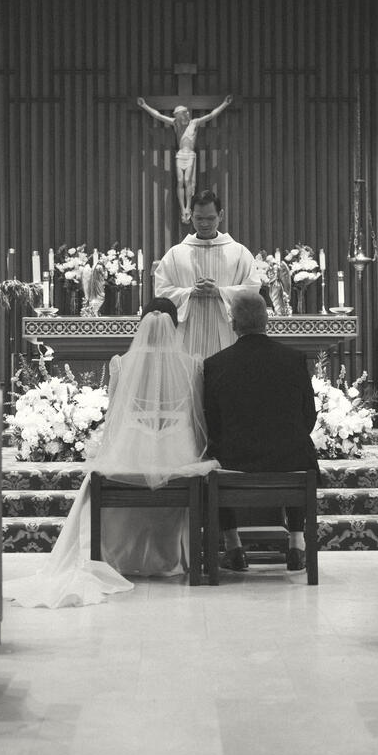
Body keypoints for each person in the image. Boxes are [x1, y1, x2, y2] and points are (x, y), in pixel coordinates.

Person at [3, 298, 218, 608]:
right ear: (176, 325)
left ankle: (111, 558)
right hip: (178, 457)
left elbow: (114, 419)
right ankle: (170, 556)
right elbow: (199, 420)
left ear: (141, 324)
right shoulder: (193, 364)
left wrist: (113, 455)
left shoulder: (120, 363)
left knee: (96, 480)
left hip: (131, 453)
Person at [203, 291, 319, 573]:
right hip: (290, 461)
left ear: (233, 324)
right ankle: (296, 545)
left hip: (236, 462)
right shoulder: (293, 359)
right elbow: (309, 416)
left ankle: (234, 548)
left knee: (212, 462)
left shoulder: (216, 364)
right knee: (297, 451)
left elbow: (212, 425)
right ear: (267, 320)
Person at [153, 189, 261, 358]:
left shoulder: (239, 252)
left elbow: (253, 290)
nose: (204, 224)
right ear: (191, 216)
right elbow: (161, 291)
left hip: (227, 334)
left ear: (221, 215)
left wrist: (220, 292)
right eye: (199, 218)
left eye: (210, 218)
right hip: (187, 334)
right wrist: (190, 292)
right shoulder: (176, 254)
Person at [137, 96, 232, 223]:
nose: (183, 116)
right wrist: (144, 106)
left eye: (183, 114)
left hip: (190, 155)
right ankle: (183, 209)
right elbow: (158, 116)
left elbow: (211, 115)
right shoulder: (175, 123)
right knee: (180, 180)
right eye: (180, 115)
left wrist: (224, 104)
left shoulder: (194, 123)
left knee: (187, 180)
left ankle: (188, 207)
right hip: (180, 155)